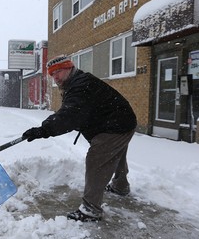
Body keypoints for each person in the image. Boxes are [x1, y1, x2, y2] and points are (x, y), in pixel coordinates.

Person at [22, 55, 137, 222]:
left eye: (58, 72)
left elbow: (69, 115)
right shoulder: (76, 82)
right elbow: (70, 111)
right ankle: (120, 186)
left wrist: (43, 130)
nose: (55, 78)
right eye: (52, 74)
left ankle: (91, 210)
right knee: (115, 154)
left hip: (115, 126)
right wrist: (45, 127)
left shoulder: (80, 85)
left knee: (97, 160)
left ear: (69, 68)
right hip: (120, 121)